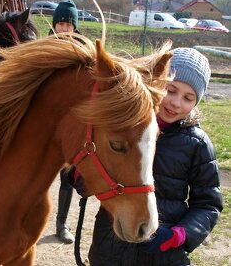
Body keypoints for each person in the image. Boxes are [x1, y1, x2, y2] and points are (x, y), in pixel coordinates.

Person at [75, 47, 223, 265]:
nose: (176, 102)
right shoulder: (128, 128)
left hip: (164, 255)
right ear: (156, 86)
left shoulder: (197, 144)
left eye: (188, 98)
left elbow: (208, 204)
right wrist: (82, 175)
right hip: (111, 247)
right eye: (170, 91)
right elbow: (90, 175)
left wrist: (179, 235)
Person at [50, 0, 81, 244]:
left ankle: (62, 224)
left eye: (67, 24)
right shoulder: (44, 46)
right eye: (60, 23)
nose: (63, 29)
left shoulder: (82, 49)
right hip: (46, 122)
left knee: (67, 176)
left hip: (70, 123)